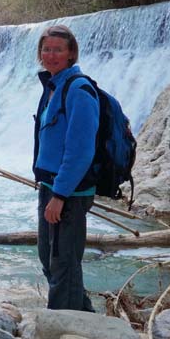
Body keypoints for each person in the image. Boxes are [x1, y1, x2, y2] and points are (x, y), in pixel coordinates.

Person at [33, 24, 99, 312]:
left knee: (63, 262)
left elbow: (81, 150)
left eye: (58, 49)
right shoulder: (53, 86)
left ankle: (66, 330)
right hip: (50, 185)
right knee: (50, 257)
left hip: (69, 192)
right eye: (46, 49)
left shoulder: (79, 90)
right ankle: (85, 317)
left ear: (71, 53)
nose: (51, 55)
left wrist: (60, 195)